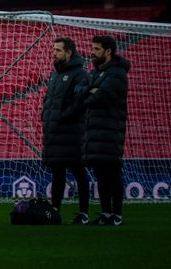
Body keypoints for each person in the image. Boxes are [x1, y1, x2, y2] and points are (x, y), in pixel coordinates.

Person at [78, 34, 130, 226]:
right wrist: (90, 91)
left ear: (108, 51)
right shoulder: (94, 72)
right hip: (94, 131)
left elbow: (101, 97)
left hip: (111, 130)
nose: (92, 52)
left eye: (97, 49)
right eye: (92, 48)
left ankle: (117, 215)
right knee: (100, 173)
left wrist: (90, 93)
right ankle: (106, 213)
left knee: (112, 172)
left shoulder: (117, 73)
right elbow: (79, 91)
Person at [41, 36, 91, 224]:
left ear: (69, 52)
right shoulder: (54, 75)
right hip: (55, 132)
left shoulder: (80, 74)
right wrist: (46, 117)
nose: (54, 53)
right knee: (57, 172)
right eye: (53, 49)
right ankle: (55, 211)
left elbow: (80, 103)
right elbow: (49, 101)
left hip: (72, 132)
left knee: (78, 171)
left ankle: (84, 212)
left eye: (58, 50)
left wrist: (63, 117)